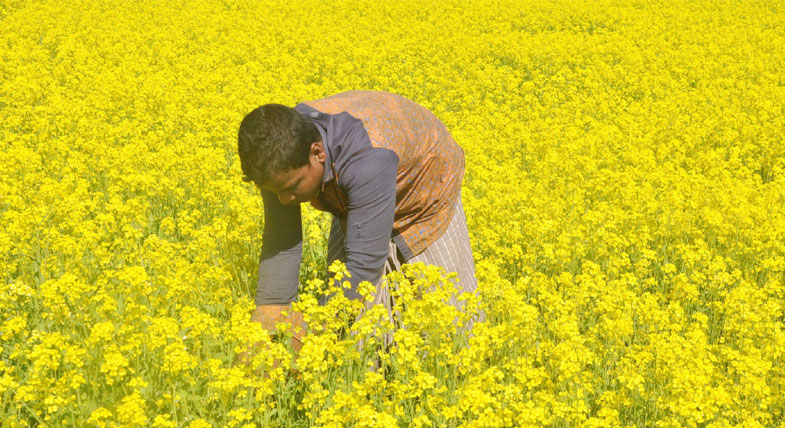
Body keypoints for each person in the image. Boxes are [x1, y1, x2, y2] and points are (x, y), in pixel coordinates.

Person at [235, 90, 483, 367]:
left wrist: (305, 336)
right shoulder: (278, 158)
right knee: (353, 331)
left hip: (423, 190)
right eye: (276, 191)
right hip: (356, 188)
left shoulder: (366, 158)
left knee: (446, 325)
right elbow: (282, 240)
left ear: (317, 153)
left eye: (292, 188)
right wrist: (266, 323)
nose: (284, 200)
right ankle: (372, 378)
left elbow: (364, 264)